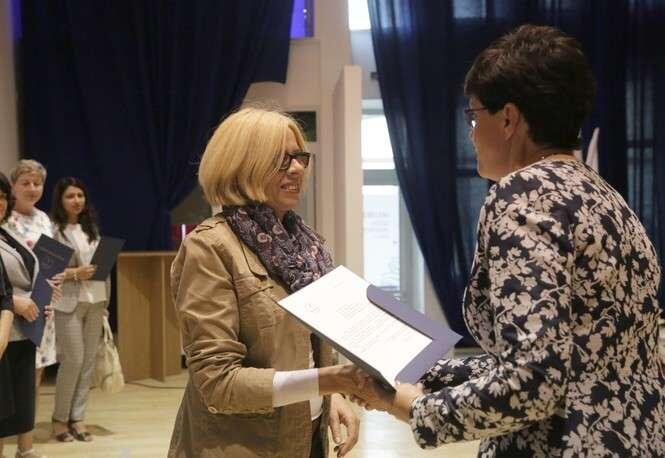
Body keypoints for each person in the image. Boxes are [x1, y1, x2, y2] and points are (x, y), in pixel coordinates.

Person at [353, 24, 665, 457]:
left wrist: (417, 408)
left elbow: (535, 379)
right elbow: (574, 356)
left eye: (473, 116)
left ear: (507, 119)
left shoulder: (522, 196)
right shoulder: (605, 197)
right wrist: (431, 373)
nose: (470, 132)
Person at [169, 107, 365, 458]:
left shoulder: (307, 245)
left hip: (308, 437)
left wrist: (332, 394)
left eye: (300, 157)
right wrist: (330, 380)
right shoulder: (210, 247)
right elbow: (217, 383)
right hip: (242, 446)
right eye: (280, 159)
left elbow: (311, 349)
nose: (298, 168)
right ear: (240, 165)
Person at [0, 171, 59, 458]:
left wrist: (43, 297)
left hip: (24, 328)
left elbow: (32, 271)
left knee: (21, 399)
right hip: (5, 327)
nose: (0, 203)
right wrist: (15, 302)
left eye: (2, 197)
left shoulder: (7, 232)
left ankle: (25, 451)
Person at [50, 177, 109, 442]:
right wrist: (75, 273)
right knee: (72, 360)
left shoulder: (91, 229)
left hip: (96, 301)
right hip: (68, 303)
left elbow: (103, 268)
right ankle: (59, 420)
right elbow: (48, 272)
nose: (76, 200)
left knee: (87, 363)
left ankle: (78, 418)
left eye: (80, 195)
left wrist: (106, 304)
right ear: (60, 201)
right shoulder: (53, 230)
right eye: (70, 196)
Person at [5, 160, 56, 401]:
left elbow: (52, 260)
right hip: (15, 302)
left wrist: (57, 280)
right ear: (13, 186)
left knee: (38, 366)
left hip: (43, 302)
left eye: (37, 183)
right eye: (26, 183)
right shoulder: (5, 218)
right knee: (14, 371)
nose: (32, 188)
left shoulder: (44, 218)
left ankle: (29, 419)